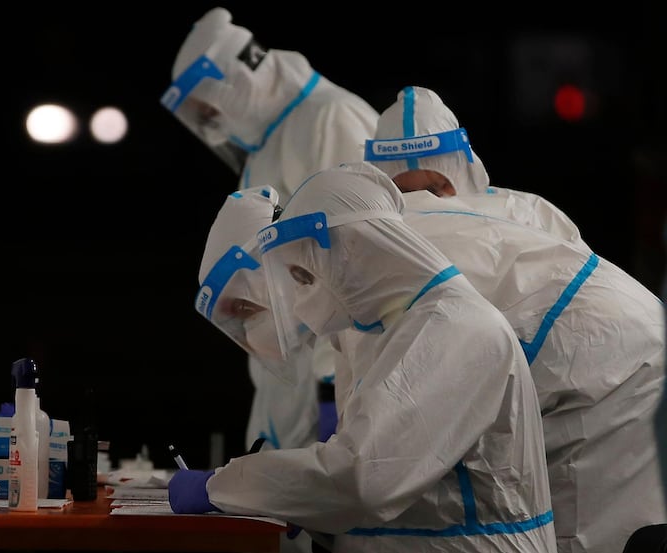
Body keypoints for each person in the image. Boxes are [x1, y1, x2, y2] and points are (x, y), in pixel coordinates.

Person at [170, 162, 557, 553]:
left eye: (304, 276)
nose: (300, 296)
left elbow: (360, 479)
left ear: (356, 250)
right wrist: (302, 505)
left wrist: (221, 486)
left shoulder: (456, 328)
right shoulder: (390, 331)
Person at [364, 85, 667, 553]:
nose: (425, 201)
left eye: (432, 186)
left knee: (579, 529)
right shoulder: (527, 211)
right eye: (409, 190)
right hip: (605, 378)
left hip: (605, 390)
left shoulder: (514, 218)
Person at [161, 7, 378, 456]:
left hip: (333, 367)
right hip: (287, 370)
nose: (212, 123)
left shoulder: (330, 117)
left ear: (240, 76)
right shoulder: (267, 145)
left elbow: (361, 250)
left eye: (208, 107)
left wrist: (330, 380)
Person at [365, 85, 589, 249]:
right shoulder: (367, 242)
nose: (425, 204)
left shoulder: (526, 214)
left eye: (434, 190)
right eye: (405, 194)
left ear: (462, 173)